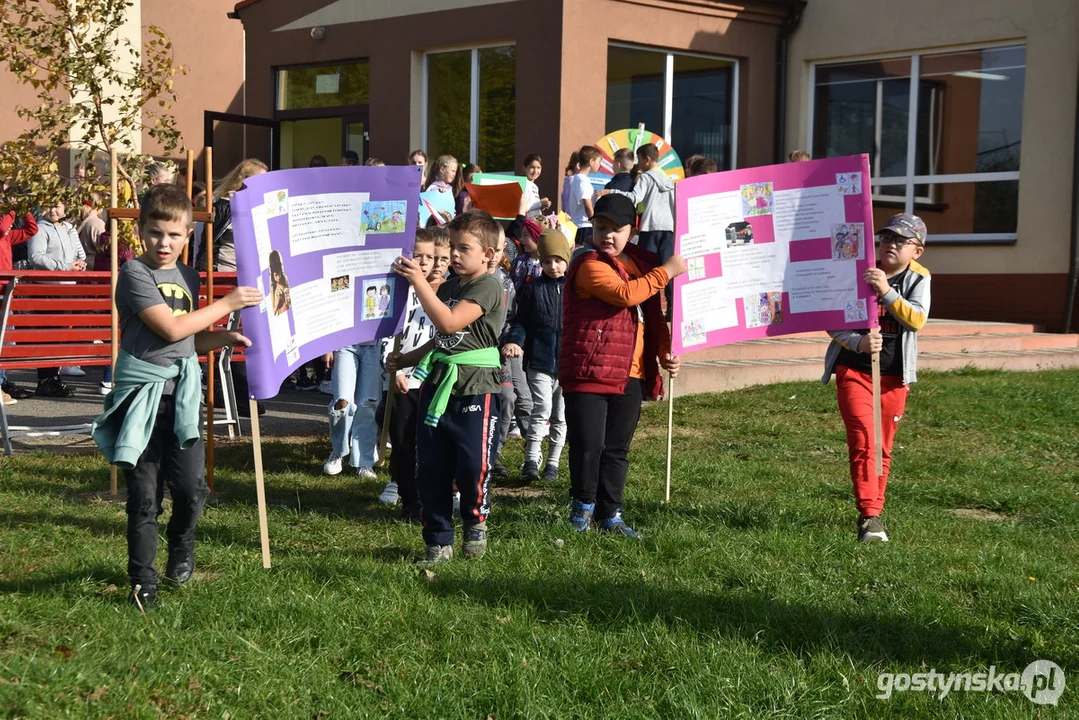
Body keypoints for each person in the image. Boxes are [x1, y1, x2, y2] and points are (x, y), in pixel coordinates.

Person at [91, 184, 262, 609]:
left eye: (174, 235)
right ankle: (142, 581)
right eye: (154, 233)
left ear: (188, 235)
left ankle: (181, 544)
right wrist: (227, 302)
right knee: (144, 495)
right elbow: (168, 329)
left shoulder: (188, 275)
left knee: (190, 489)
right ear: (140, 232)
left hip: (181, 398)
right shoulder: (134, 273)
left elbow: (186, 340)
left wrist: (223, 336)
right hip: (140, 399)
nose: (164, 244)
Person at [560, 194, 686, 537]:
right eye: (601, 228)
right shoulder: (587, 263)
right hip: (590, 371)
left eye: (616, 230)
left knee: (617, 450)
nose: (608, 236)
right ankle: (581, 512)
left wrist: (664, 354)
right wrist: (668, 270)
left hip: (630, 374)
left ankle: (609, 515)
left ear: (634, 229)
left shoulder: (639, 263)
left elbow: (654, 319)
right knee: (588, 447)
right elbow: (625, 294)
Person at [388, 210, 505, 565]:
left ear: (487, 253)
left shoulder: (488, 285)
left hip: (475, 388)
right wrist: (409, 358)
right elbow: (442, 340)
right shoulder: (451, 286)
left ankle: (475, 523)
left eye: (462, 248)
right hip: (438, 385)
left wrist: (420, 282)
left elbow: (450, 322)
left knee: (472, 466)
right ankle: (437, 540)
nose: (453, 255)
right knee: (433, 467)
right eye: (451, 247)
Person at [822, 213, 931, 544]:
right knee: (864, 438)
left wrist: (885, 291)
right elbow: (831, 318)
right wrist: (857, 342)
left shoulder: (919, 278)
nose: (891, 245)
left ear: (917, 251)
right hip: (854, 369)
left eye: (901, 241)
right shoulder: (857, 272)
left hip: (894, 376)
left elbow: (917, 320)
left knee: (882, 446)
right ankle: (869, 516)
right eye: (886, 238)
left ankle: (874, 511)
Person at [377, 230, 438, 517]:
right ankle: (409, 498)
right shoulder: (397, 291)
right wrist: (392, 367)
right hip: (401, 379)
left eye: (430, 257)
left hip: (431, 379)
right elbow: (385, 331)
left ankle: (428, 494)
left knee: (427, 441)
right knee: (402, 442)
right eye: (418, 255)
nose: (424, 262)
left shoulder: (438, 292)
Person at [503, 230, 571, 481]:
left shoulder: (574, 289)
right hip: (540, 362)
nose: (553, 266)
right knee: (540, 409)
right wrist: (515, 341)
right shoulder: (533, 289)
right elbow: (522, 322)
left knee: (560, 415)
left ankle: (552, 463)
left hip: (567, 363)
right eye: (547, 261)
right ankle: (531, 460)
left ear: (567, 259)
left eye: (558, 260)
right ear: (540, 262)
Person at [595, 143, 676, 314]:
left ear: (646, 159)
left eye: (639, 159)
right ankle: (672, 305)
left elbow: (634, 197)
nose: (637, 164)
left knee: (645, 268)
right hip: (668, 228)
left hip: (650, 227)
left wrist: (611, 193)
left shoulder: (646, 178)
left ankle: (646, 305)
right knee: (667, 267)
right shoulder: (669, 180)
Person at [28, 200, 88, 393]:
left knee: (60, 337)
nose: (53, 210)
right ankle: (45, 379)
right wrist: (65, 267)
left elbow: (81, 254)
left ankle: (54, 377)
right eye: (49, 205)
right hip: (47, 289)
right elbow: (36, 257)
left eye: (57, 206)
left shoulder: (69, 228)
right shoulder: (40, 228)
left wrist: (80, 263)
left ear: (65, 208)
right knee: (47, 336)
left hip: (68, 289)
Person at [0, 183, 38, 402]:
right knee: (1, 340)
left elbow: (31, 231)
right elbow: (4, 224)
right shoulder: (2, 229)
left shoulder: (6, 236)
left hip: (6, 290)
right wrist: (12, 208)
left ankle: (3, 381)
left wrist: (25, 211)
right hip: (1, 290)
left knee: (6, 340)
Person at [196, 158, 267, 272]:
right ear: (244, 181)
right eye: (260, 180)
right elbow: (208, 244)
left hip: (253, 274)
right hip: (226, 273)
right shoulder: (224, 207)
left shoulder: (261, 207)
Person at [561, 145, 600, 246]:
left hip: (578, 225)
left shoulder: (576, 179)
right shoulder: (583, 180)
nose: (599, 165)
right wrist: (594, 223)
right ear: (591, 162)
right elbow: (587, 205)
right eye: (599, 161)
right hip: (584, 225)